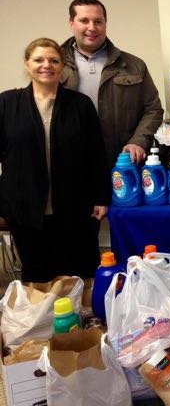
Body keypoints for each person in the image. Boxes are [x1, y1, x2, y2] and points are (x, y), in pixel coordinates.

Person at [0, 38, 111, 282]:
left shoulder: (80, 105)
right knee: (37, 272)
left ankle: (81, 317)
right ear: (27, 65)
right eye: (38, 59)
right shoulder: (6, 103)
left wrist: (102, 197)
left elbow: (96, 155)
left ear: (62, 66)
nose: (46, 65)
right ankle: (43, 318)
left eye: (53, 60)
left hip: (75, 205)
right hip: (25, 208)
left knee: (79, 269)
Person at [61, 0, 164, 166]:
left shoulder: (134, 65)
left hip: (121, 161)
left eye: (98, 21)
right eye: (84, 20)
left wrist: (138, 141)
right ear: (71, 23)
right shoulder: (53, 65)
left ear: (105, 24)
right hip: (69, 162)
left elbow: (152, 109)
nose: (92, 28)